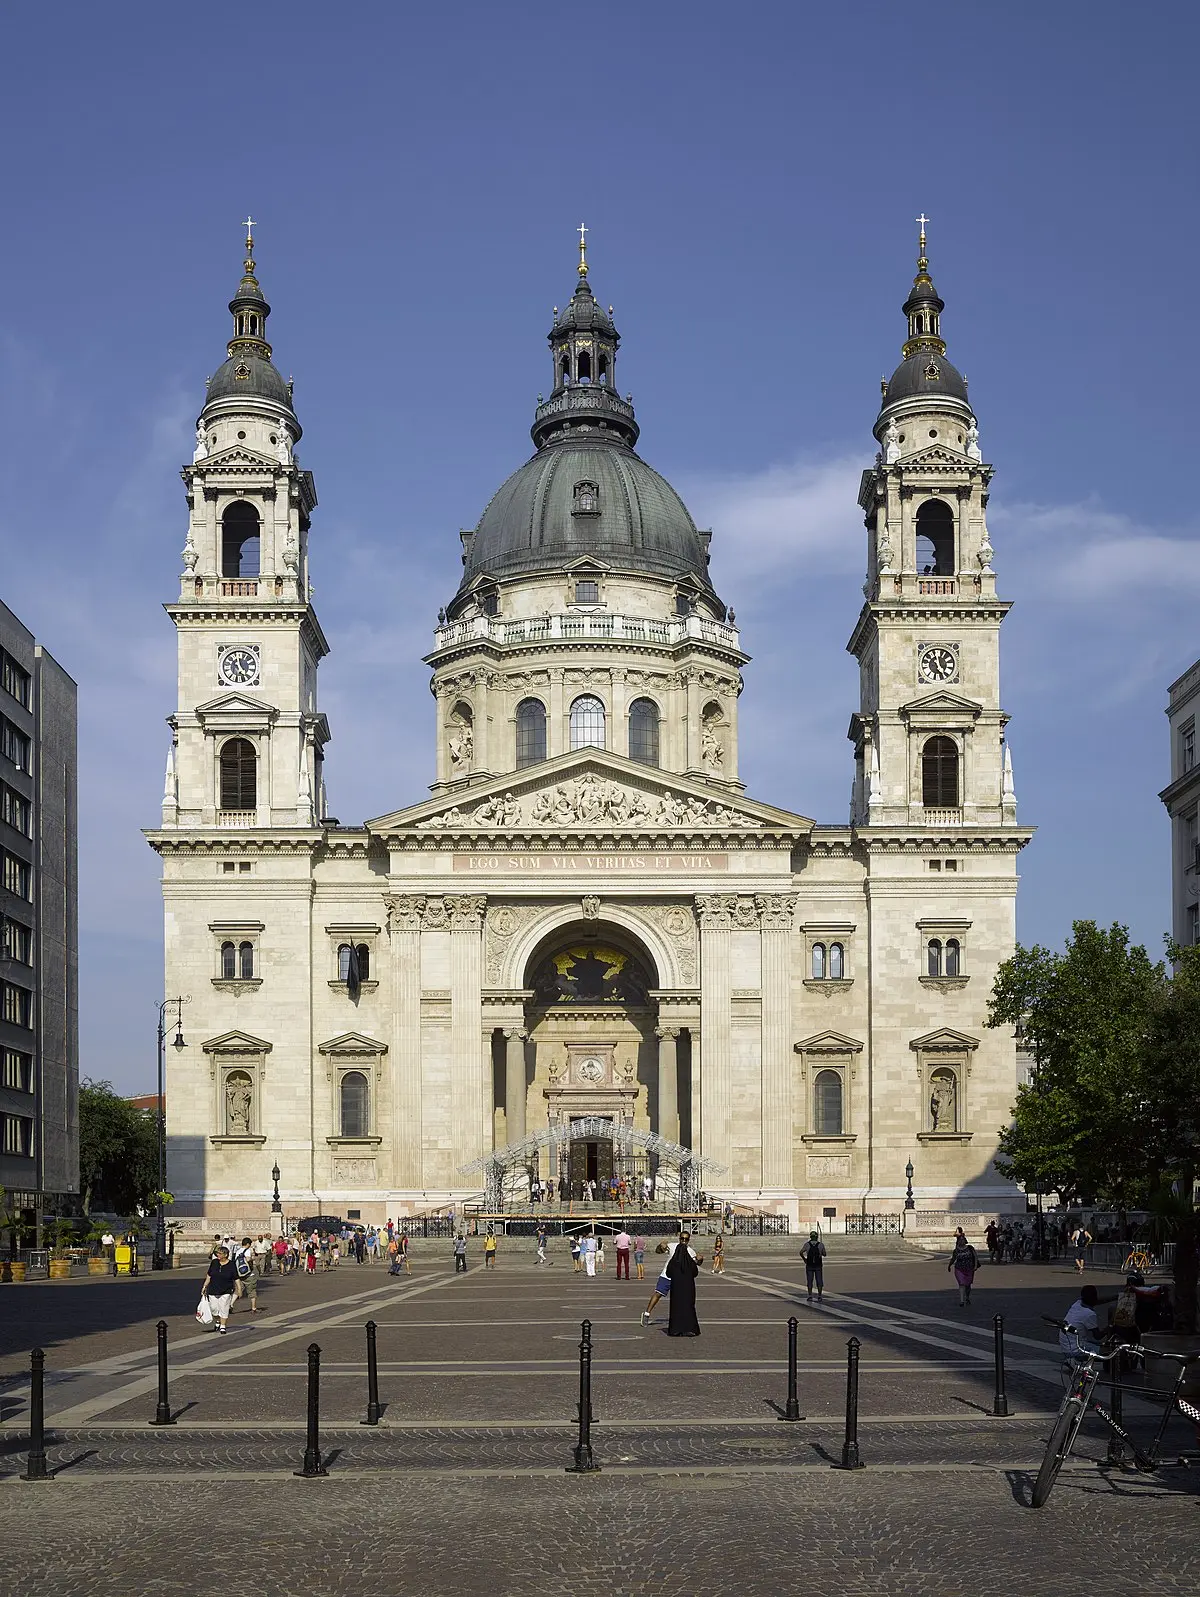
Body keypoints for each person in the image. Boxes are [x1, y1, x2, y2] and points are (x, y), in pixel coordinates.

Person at [665, 1232, 703, 1337]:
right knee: (688, 1307)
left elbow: (668, 1273)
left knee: (676, 1307)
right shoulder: (689, 1261)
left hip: (676, 1288)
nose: (684, 1241)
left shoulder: (673, 1261)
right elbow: (695, 1273)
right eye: (682, 1239)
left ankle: (676, 1329)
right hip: (688, 1288)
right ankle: (690, 1328)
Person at [201, 1246, 238, 1334]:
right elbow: (209, 1275)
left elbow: (236, 1278)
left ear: (225, 1255)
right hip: (213, 1289)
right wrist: (204, 1286)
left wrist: (239, 1289)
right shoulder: (214, 1262)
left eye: (220, 1253)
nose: (218, 1255)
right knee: (214, 1309)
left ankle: (223, 1326)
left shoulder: (231, 1264)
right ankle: (218, 1321)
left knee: (224, 1308)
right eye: (217, 1253)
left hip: (226, 1290)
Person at [948, 1229, 978, 1306]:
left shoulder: (970, 1248)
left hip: (969, 1268)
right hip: (959, 1268)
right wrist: (949, 1265)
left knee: (968, 1285)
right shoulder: (956, 1250)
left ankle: (967, 1297)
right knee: (961, 1284)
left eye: (962, 1240)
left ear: (965, 1241)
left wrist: (975, 1266)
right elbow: (953, 1258)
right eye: (960, 1240)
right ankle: (962, 1301)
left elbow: (975, 1257)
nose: (961, 1241)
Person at [234, 1236, 260, 1314]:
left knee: (237, 1290)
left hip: (239, 1274)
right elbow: (248, 1259)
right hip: (248, 1274)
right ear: (248, 1244)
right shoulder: (247, 1250)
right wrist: (252, 1259)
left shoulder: (238, 1251)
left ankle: (230, 1305)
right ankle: (254, 1308)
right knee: (252, 1291)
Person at [801, 1230, 826, 1303]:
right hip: (818, 1265)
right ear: (817, 1237)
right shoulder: (821, 1244)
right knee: (819, 1280)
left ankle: (810, 1296)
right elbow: (824, 1254)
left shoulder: (807, 1244)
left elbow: (801, 1252)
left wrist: (804, 1259)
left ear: (810, 1237)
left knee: (810, 1280)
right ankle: (819, 1296)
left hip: (809, 1265)